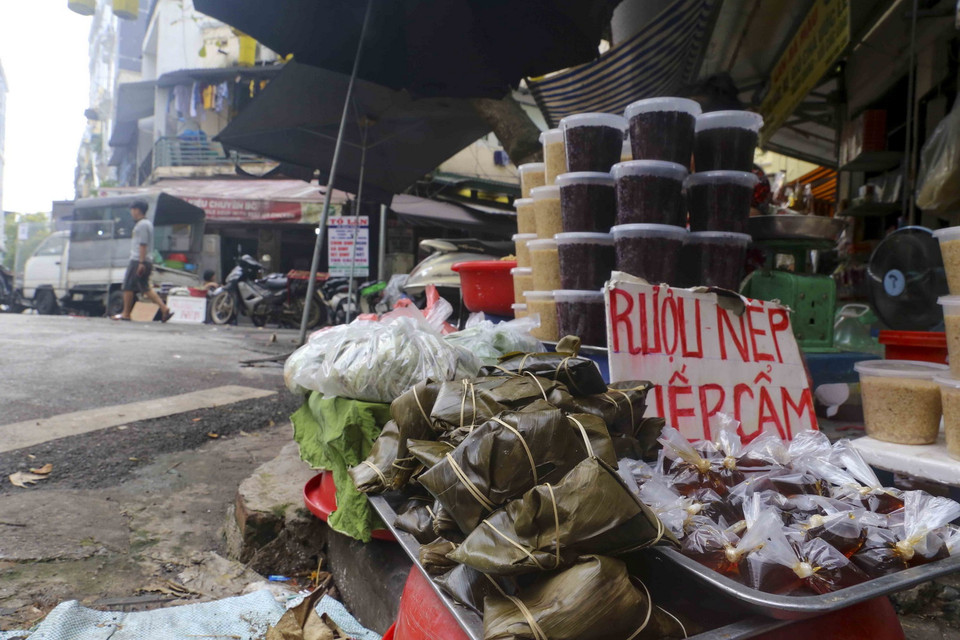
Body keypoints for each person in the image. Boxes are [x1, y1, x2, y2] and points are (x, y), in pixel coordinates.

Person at [112, 200, 174, 322]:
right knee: (145, 288)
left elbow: (143, 244)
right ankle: (164, 308)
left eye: (133, 209)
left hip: (138, 260)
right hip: (145, 260)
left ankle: (126, 313)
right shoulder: (147, 224)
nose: (131, 212)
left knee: (128, 287)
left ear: (137, 210)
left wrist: (140, 262)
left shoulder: (142, 225)